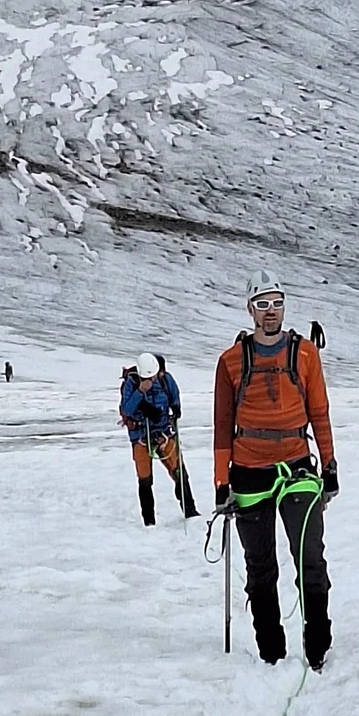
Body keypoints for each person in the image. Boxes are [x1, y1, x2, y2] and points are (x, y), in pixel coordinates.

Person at [213, 276, 335, 670]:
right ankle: (271, 653)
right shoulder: (231, 361)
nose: (270, 312)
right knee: (260, 567)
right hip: (248, 471)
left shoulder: (305, 354)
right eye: (262, 304)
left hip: (297, 466)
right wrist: (221, 482)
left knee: (310, 559)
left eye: (276, 303)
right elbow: (222, 425)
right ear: (250, 309)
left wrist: (329, 466)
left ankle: (317, 647)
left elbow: (319, 412)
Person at [119, 352, 198, 525]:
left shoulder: (165, 380)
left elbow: (175, 400)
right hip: (141, 435)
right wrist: (140, 393)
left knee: (179, 472)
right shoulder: (131, 383)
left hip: (164, 433)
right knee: (145, 479)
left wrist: (175, 411)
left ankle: (190, 512)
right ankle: (149, 521)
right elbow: (127, 410)